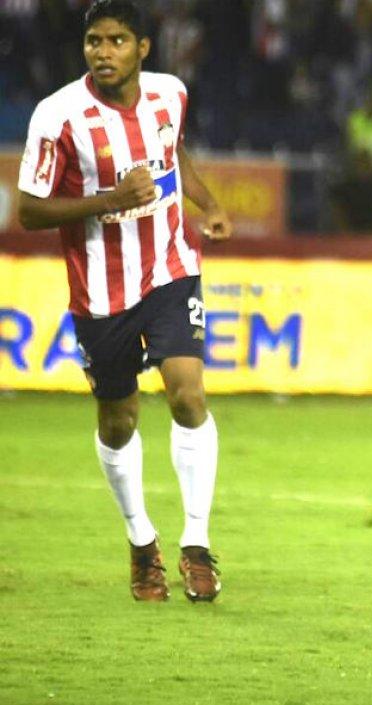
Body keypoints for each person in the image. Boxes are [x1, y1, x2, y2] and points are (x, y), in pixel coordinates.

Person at [16, 0, 231, 602]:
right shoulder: (57, 115)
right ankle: (141, 541)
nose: (103, 52)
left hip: (170, 268)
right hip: (101, 290)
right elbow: (29, 210)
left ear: (143, 48)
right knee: (119, 421)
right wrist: (109, 200)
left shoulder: (170, 94)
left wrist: (209, 204)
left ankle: (196, 544)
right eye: (94, 41)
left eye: (116, 41)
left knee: (187, 394)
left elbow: (174, 153)